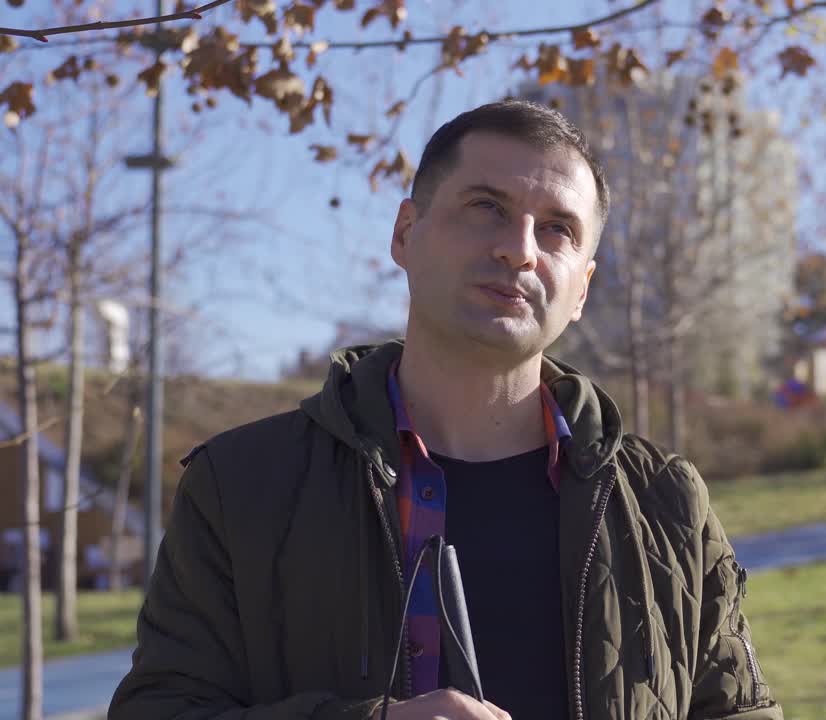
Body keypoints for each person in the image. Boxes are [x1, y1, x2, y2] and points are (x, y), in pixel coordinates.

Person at [109, 100, 782, 720]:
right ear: (406, 232)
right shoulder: (242, 484)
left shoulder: (667, 502)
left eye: (556, 229)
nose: (519, 248)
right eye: (487, 207)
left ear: (582, 288)